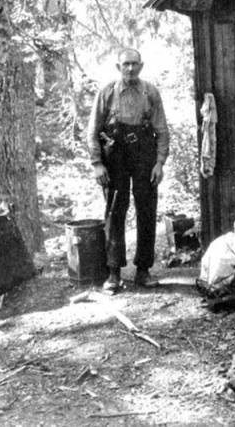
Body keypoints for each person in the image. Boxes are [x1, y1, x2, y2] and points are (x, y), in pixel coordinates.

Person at [87, 48, 170, 292]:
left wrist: (159, 162)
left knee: (146, 208)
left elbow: (162, 130)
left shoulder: (150, 92)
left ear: (141, 66)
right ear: (118, 67)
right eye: (126, 64)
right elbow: (92, 131)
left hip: (144, 152)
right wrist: (97, 163)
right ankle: (113, 273)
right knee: (115, 209)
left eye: (134, 64)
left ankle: (143, 271)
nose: (130, 68)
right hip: (115, 155)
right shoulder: (107, 92)